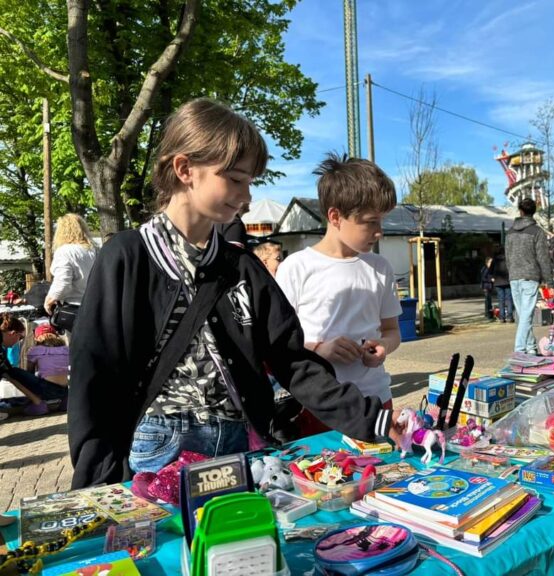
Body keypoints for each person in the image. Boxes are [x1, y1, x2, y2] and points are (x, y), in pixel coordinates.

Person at [68, 100, 403, 488]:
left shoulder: (241, 267)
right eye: (235, 179)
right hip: (158, 446)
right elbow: (95, 377)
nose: (246, 196)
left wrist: (374, 419)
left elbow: (293, 362)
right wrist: (96, 481)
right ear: (184, 169)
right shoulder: (127, 258)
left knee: (240, 547)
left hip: (238, 442)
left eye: (250, 182)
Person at [276, 152, 401, 410]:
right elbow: (278, 346)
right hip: (318, 403)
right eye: (370, 222)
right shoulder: (296, 268)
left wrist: (384, 347)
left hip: (375, 400)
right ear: (335, 217)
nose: (379, 232)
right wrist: (319, 349)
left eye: (382, 221)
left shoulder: (380, 268)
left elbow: (392, 330)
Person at [505, 197, 552, 354]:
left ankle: (531, 348)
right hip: (530, 276)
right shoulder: (537, 232)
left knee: (523, 316)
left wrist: (511, 272)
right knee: (526, 316)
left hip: (514, 276)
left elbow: (508, 256)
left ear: (520, 211)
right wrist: (549, 282)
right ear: (534, 212)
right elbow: (543, 258)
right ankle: (519, 350)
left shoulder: (510, 232)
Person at [0, 314, 67, 415]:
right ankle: (66, 401)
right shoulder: (66, 350)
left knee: (13, 372)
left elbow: (28, 372)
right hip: (65, 390)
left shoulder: (35, 350)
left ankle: (38, 403)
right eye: (21, 337)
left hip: (45, 390)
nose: (19, 341)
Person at [44, 214, 98, 315]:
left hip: (73, 307)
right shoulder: (93, 250)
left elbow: (63, 283)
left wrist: (49, 300)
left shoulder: (64, 251)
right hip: (95, 305)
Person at [490, 250, 513, 323]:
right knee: (509, 299)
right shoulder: (508, 258)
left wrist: (493, 277)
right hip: (507, 281)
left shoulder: (495, 260)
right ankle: (509, 317)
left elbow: (490, 270)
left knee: (501, 300)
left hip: (498, 282)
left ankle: (502, 317)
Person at [480, 256, 494, 320]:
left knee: (488, 300)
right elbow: (483, 278)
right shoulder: (486, 269)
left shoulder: (488, 268)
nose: (492, 263)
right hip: (486, 286)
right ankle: (488, 315)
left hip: (488, 286)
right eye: (491, 262)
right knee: (487, 301)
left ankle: (488, 314)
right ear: (487, 262)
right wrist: (490, 279)